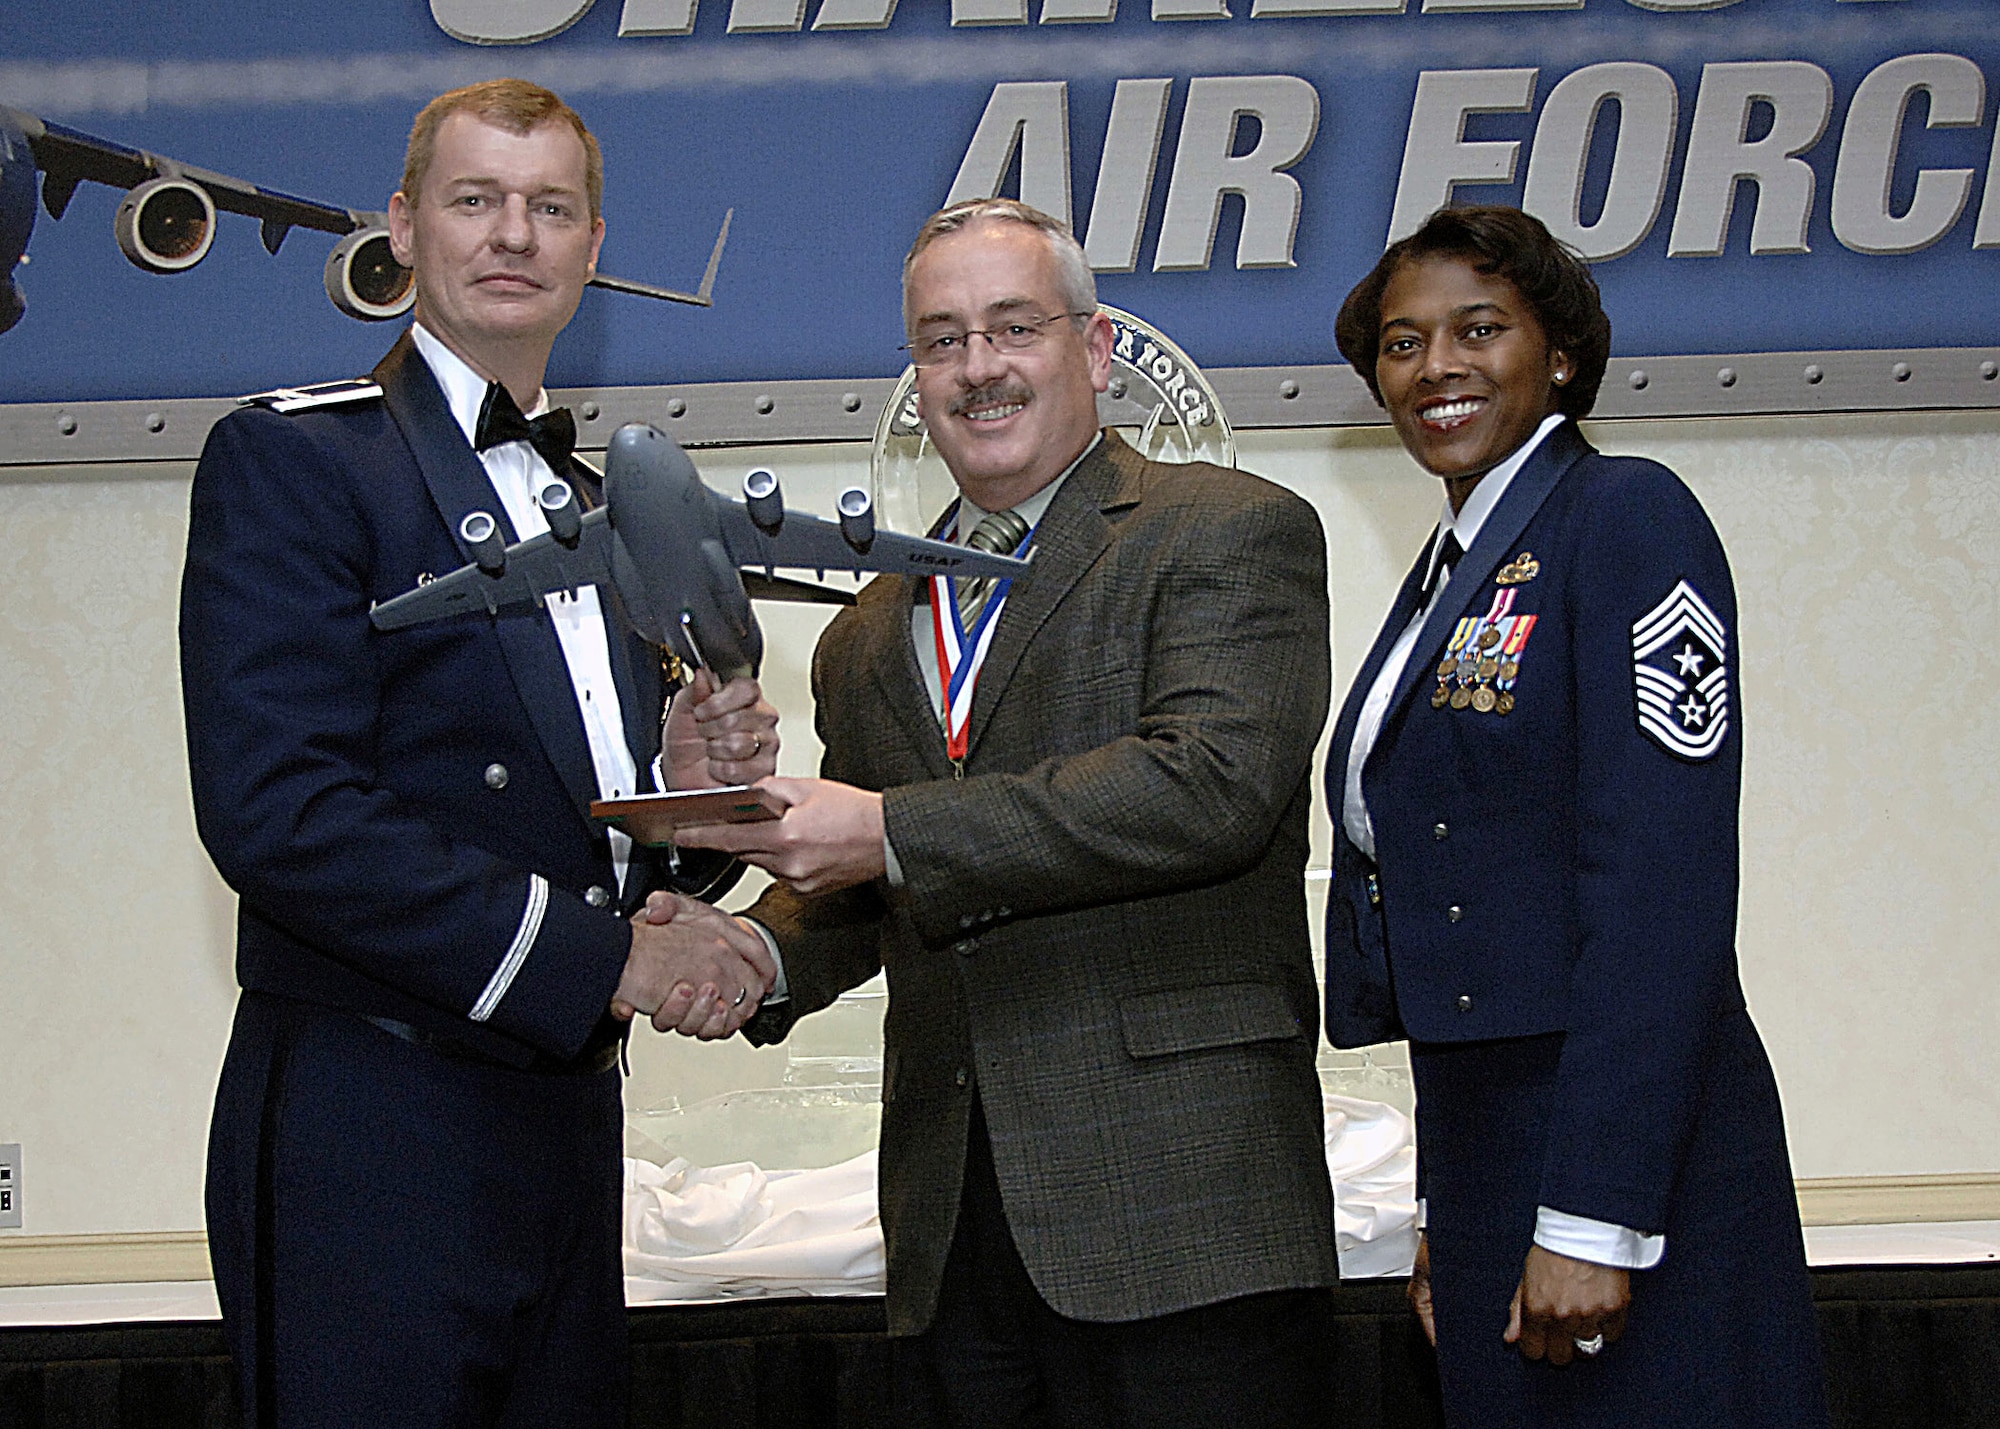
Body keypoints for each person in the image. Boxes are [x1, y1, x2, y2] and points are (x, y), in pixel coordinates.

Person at [674, 198, 1340, 1428]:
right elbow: (865, 884)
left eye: (1011, 327)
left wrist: (883, 832)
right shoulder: (873, 626)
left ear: (1091, 351)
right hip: (953, 1228)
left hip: (1184, 1217)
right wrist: (752, 951)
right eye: (940, 340)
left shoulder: (1227, 529)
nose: (977, 368)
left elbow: (1206, 789)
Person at [179, 79, 780, 1429]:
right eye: (475, 200)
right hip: (371, 1120)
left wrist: (682, 799)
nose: (513, 233)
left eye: (548, 208)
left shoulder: (599, 503)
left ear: (590, 244)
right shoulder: (295, 459)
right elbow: (282, 811)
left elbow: (578, 831)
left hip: (562, 1123)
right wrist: (611, 957)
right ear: (403, 226)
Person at [1321, 204, 1829, 1427]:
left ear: (1556, 354)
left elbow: (1660, 893)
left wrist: (1599, 1214)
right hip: (1498, 1143)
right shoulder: (1456, 565)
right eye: (1401, 343)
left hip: (1627, 1158)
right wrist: (1448, 1205)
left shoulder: (1623, 517)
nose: (1433, 365)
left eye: (1475, 329)